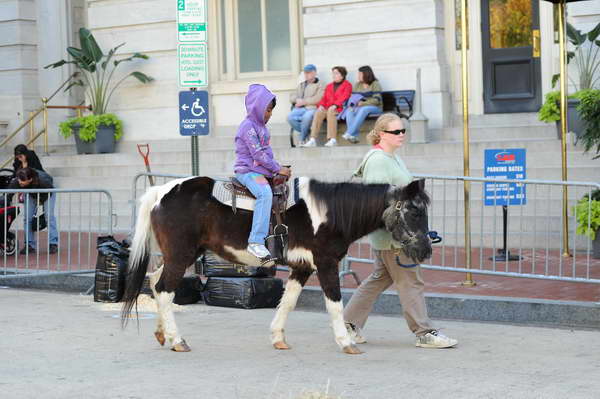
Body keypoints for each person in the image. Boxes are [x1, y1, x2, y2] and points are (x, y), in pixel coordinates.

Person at [343, 113, 458, 349]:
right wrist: (408, 233)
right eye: (396, 132)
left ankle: (347, 324)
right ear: (382, 134)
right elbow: (378, 201)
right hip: (395, 238)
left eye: (403, 130)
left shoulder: (391, 157)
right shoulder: (378, 160)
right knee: (411, 282)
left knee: (378, 279)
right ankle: (424, 332)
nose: (402, 135)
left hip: (391, 237)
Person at [234, 84, 291, 260]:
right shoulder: (248, 127)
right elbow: (258, 154)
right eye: (267, 110)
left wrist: (279, 167)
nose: (269, 114)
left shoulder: (262, 127)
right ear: (257, 107)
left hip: (260, 169)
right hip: (248, 171)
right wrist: (277, 168)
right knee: (265, 193)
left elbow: (267, 153)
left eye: (271, 111)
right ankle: (256, 242)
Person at [8, 167, 58, 254]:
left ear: (30, 179)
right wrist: (5, 200)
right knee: (27, 219)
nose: (20, 182)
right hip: (31, 193)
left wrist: (40, 206)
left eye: (23, 180)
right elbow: (8, 194)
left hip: (48, 193)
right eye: (19, 179)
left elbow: (48, 189)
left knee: (49, 217)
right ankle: (29, 245)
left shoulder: (43, 181)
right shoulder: (17, 181)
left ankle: (53, 244)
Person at [302, 66, 352, 148]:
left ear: (342, 75)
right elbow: (324, 98)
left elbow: (345, 96)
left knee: (331, 111)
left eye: (336, 73)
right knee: (318, 112)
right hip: (328, 107)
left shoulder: (347, 85)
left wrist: (335, 105)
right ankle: (312, 139)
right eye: (333, 73)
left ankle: (332, 139)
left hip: (340, 108)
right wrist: (321, 105)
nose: (333, 75)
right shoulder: (329, 86)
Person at [341, 66, 383, 144]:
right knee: (349, 111)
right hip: (359, 107)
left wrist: (363, 103)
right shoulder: (357, 85)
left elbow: (377, 100)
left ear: (366, 74)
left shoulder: (375, 84)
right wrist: (352, 105)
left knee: (364, 109)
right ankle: (354, 136)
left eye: (360, 74)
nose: (358, 76)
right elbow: (353, 98)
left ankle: (349, 132)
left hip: (375, 107)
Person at [287, 64, 324, 145]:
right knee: (290, 117)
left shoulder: (320, 84)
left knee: (306, 117)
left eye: (309, 73)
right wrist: (297, 100)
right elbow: (292, 96)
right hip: (300, 108)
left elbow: (318, 98)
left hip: (312, 108)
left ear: (314, 73)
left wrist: (305, 102)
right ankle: (306, 132)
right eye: (305, 73)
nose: (306, 75)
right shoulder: (302, 84)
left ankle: (302, 139)